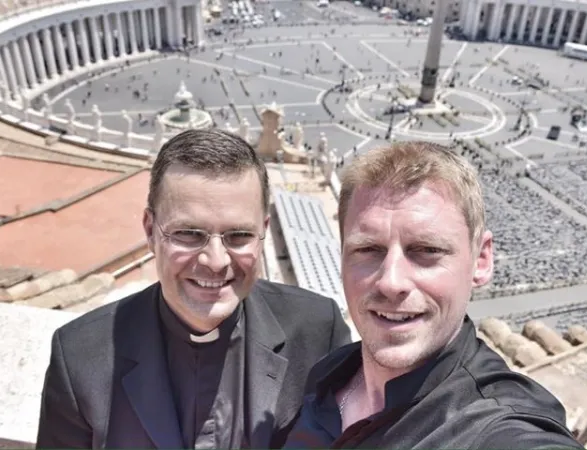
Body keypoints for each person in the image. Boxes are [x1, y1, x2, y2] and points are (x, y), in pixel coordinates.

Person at [36, 129, 351, 449]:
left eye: (239, 235)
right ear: (150, 231)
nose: (215, 261)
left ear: (263, 232)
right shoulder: (79, 357)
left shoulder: (318, 331)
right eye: (189, 233)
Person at [284, 141, 583, 449]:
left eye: (427, 250)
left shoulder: (496, 427)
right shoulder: (328, 373)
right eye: (368, 249)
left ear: (480, 261)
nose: (391, 281)